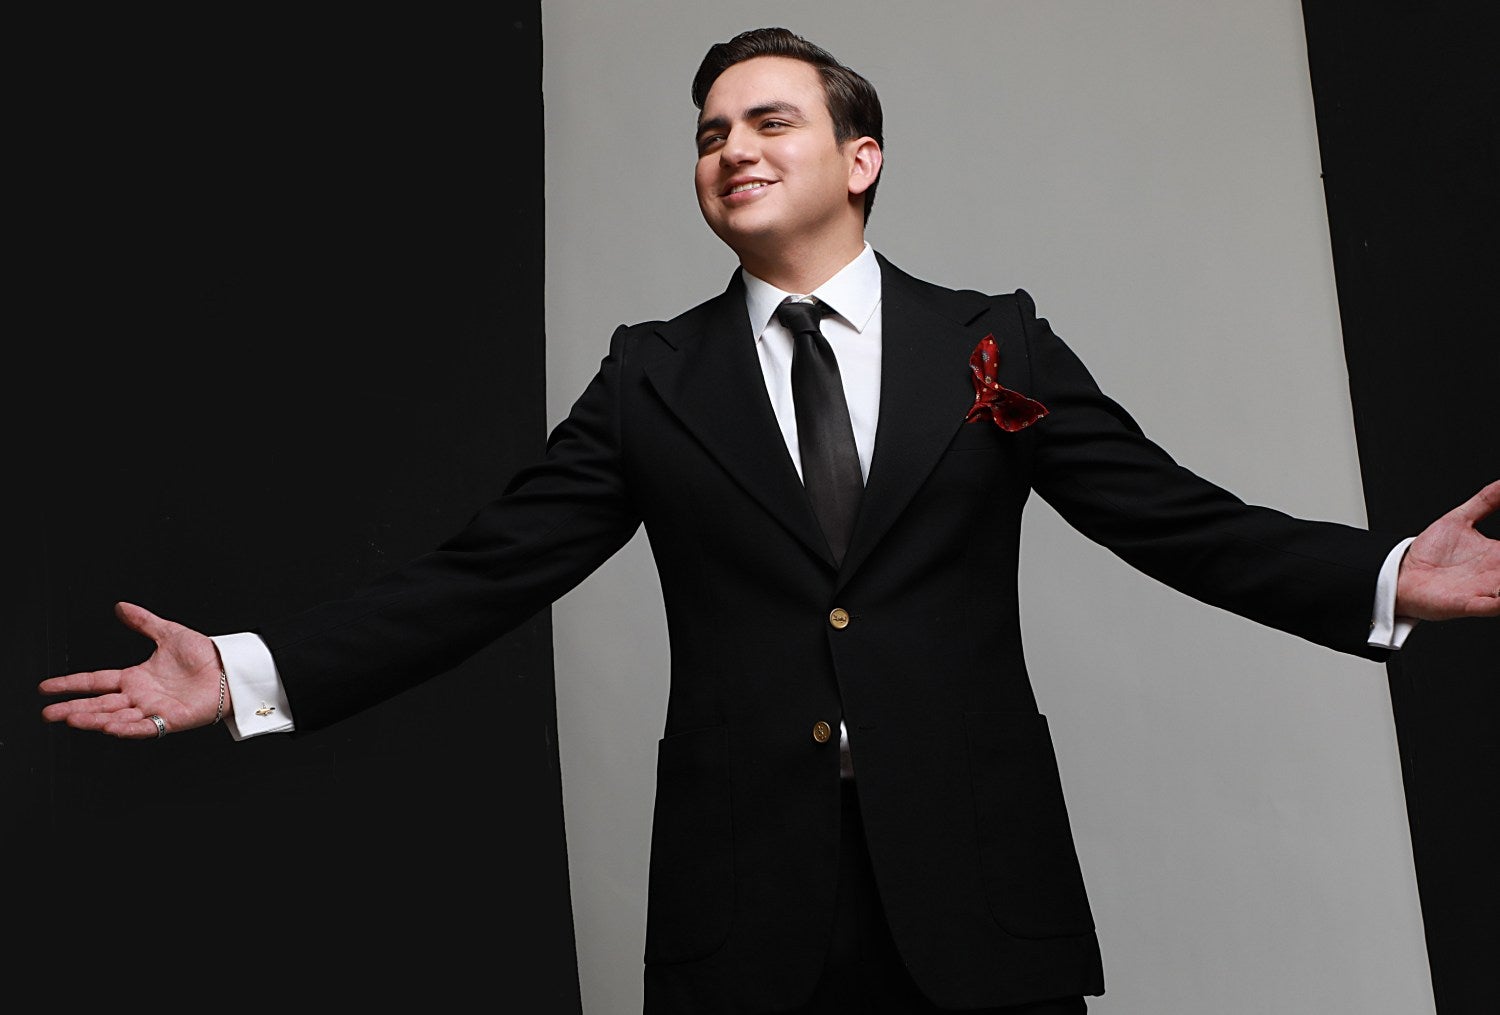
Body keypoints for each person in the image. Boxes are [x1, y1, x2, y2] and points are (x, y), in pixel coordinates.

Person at [38, 26, 1499, 1015]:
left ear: (861, 157)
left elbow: (1173, 518)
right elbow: (483, 575)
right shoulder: (649, 380)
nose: (731, 147)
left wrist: (1383, 576)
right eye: (709, 133)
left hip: (980, 894)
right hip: (746, 909)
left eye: (769, 120)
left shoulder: (993, 341)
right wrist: (247, 671)